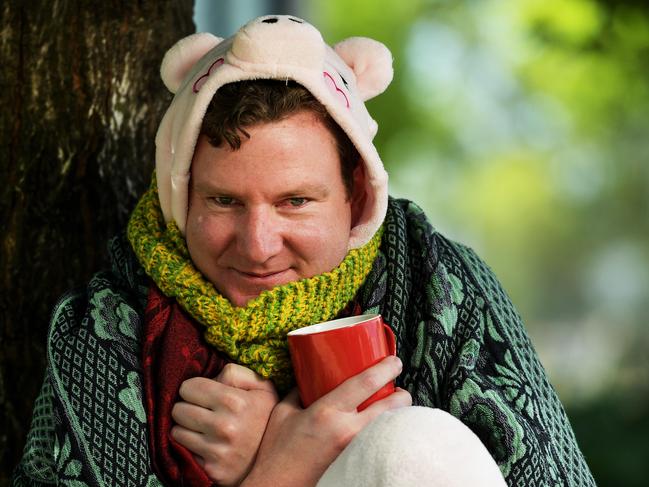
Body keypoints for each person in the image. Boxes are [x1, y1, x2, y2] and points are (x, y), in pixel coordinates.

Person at [12, 15, 595, 487]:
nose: (258, 245)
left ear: (357, 197)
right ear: (179, 196)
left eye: (295, 201)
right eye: (223, 201)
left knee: (414, 447)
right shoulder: (105, 330)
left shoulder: (438, 286)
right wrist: (280, 469)